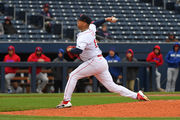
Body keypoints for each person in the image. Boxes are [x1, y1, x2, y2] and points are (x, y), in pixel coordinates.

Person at [56, 14, 149, 109]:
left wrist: (70, 50)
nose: (77, 22)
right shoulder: (90, 28)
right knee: (112, 87)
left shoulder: (84, 36)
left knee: (73, 75)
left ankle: (66, 101)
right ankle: (137, 95)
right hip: (100, 61)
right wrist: (107, 19)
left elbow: (79, 51)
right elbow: (96, 24)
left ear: (84, 23)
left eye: (79, 21)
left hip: (94, 61)